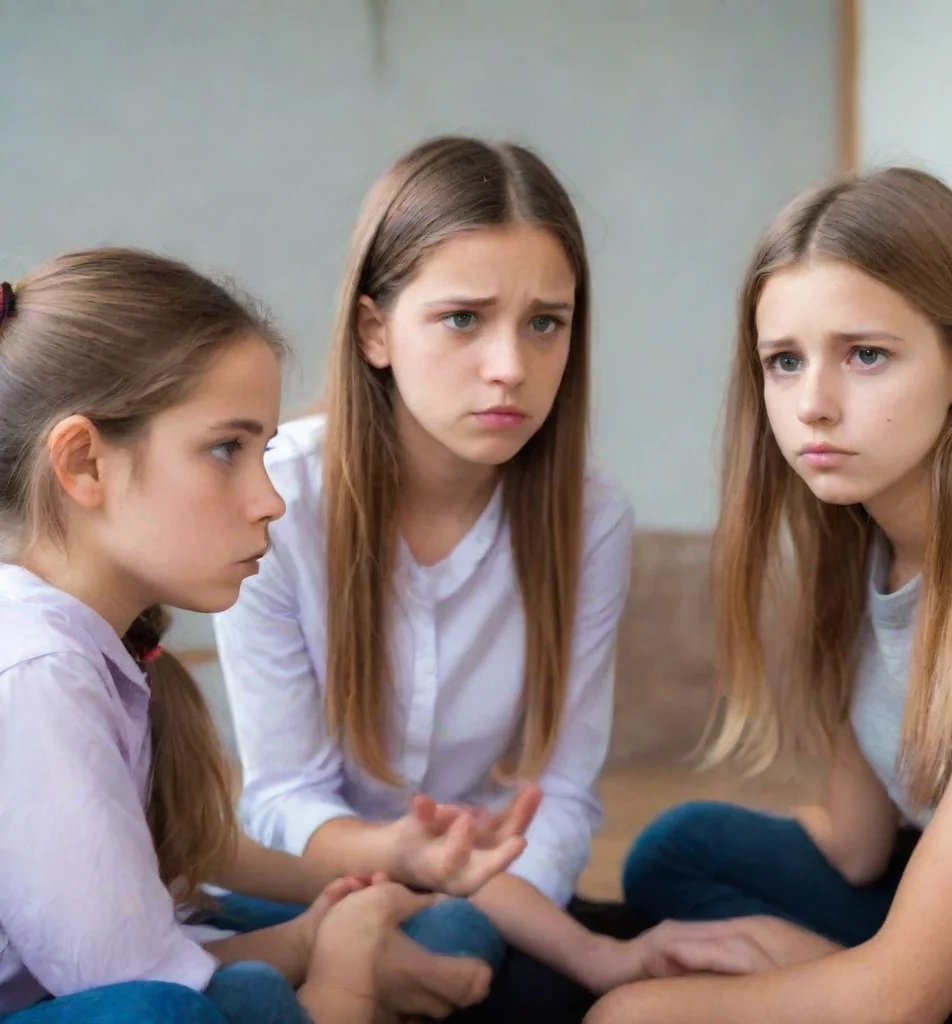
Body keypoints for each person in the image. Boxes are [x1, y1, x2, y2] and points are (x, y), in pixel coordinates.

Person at [213, 135, 683, 1020]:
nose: (510, 365)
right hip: (307, 875)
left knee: (476, 951)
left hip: (485, 892)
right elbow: (283, 794)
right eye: (464, 319)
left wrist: (460, 899)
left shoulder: (592, 520)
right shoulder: (277, 495)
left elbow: (559, 790)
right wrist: (393, 875)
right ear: (374, 330)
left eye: (545, 322)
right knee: (222, 948)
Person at [0, 249, 494, 1023]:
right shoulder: (35, 667)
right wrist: (325, 960)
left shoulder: (91, 640)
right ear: (85, 462)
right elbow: (128, 985)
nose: (269, 501)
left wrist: (369, 882)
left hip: (103, 977)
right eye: (226, 449)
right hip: (114, 993)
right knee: (181, 1012)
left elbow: (171, 858)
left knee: (447, 928)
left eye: (263, 453)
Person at [588, 167, 952, 1022]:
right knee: (679, 855)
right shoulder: (867, 539)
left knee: (626, 1018)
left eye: (866, 355)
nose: (813, 405)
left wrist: (650, 1009)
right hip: (947, 911)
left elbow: (901, 996)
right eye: (784, 362)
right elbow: (861, 845)